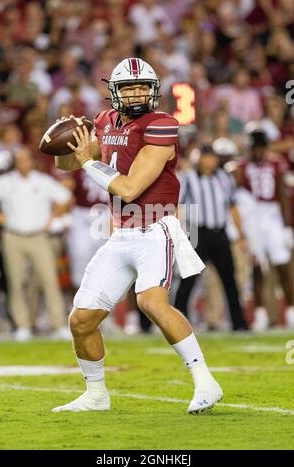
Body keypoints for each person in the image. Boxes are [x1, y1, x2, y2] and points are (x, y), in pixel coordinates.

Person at [52, 57, 222, 414]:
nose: (136, 93)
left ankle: (206, 382)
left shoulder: (161, 125)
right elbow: (72, 162)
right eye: (128, 87)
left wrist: (86, 161)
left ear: (154, 89)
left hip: (155, 228)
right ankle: (96, 394)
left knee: (150, 302)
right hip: (121, 232)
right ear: (114, 93)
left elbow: (129, 188)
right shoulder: (104, 121)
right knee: (81, 320)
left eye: (142, 86)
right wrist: (64, 146)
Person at [0, 146, 72, 341]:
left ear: (32, 161)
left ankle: (59, 325)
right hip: (13, 236)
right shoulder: (5, 182)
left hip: (39, 236)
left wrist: (52, 218)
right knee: (17, 282)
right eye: (19, 160)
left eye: (25, 159)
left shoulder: (43, 181)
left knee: (49, 281)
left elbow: (66, 198)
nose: (22, 163)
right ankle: (23, 326)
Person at [175, 144, 248, 331]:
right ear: (199, 159)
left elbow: (232, 207)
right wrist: (177, 232)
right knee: (188, 279)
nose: (211, 161)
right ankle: (176, 322)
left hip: (219, 233)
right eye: (207, 157)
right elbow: (178, 206)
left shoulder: (224, 178)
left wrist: (241, 234)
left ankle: (239, 323)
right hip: (197, 233)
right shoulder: (188, 178)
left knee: (229, 280)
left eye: (213, 157)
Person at [239, 129, 294, 330]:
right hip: (253, 216)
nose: (257, 152)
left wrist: (288, 227)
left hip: (272, 215)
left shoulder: (276, 163)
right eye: (254, 148)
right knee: (257, 267)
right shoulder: (242, 166)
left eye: (260, 148)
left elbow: (283, 196)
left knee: (282, 266)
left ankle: (290, 312)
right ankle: (260, 314)